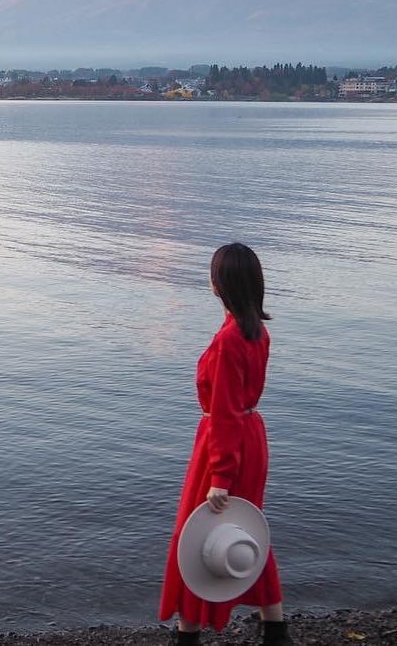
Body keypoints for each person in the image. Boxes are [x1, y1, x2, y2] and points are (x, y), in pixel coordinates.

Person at [159, 243, 296, 646]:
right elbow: (238, 407)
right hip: (252, 437)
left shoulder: (228, 341)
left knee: (194, 533)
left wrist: (220, 474)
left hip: (224, 442)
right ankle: (275, 629)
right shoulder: (256, 331)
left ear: (219, 284)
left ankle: (188, 637)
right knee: (243, 530)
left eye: (211, 272)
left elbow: (223, 412)